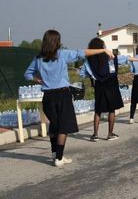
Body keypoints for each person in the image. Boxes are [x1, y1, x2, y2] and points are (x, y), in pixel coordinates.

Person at [24, 30, 114, 167]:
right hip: (62, 95)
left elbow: (27, 74)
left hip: (48, 97)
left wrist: (38, 80)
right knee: (63, 127)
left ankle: (55, 154)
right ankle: (59, 158)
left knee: (54, 125)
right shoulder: (62, 55)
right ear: (57, 42)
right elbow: (82, 53)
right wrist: (102, 51)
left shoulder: (38, 58)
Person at [80, 38, 138, 142]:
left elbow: (82, 74)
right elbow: (125, 58)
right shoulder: (111, 57)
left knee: (98, 110)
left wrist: (93, 76)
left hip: (99, 85)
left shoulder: (88, 60)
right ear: (102, 47)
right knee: (111, 109)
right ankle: (110, 134)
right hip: (111, 84)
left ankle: (95, 135)